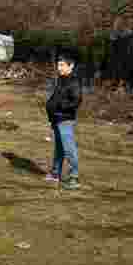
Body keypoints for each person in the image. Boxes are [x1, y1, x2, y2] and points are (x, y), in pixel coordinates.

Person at [45, 52, 83, 189]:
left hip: (65, 120)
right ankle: (56, 173)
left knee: (69, 148)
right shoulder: (61, 80)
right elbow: (55, 98)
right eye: (58, 65)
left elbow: (76, 101)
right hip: (56, 118)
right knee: (59, 148)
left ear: (71, 66)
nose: (59, 68)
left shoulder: (73, 81)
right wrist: (50, 109)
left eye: (62, 65)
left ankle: (74, 177)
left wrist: (60, 107)